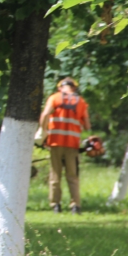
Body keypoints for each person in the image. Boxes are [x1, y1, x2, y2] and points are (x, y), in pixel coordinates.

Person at [39, 77, 91, 214]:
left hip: (55, 142)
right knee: (72, 175)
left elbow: (45, 115)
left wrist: (43, 132)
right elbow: (87, 125)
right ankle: (75, 206)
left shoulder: (54, 98)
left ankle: (55, 205)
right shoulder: (81, 102)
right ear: (74, 88)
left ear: (60, 87)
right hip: (72, 144)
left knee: (55, 175)